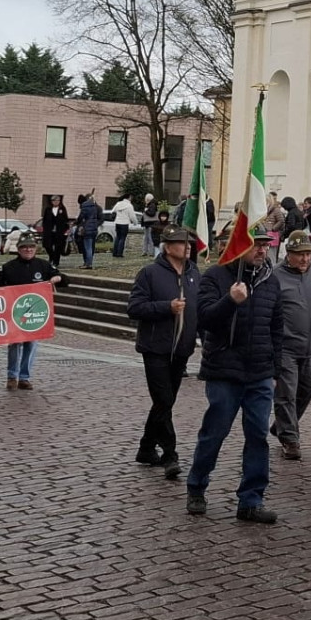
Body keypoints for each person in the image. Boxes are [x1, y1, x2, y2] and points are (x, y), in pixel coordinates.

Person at [188, 230, 284, 523]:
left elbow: (276, 326)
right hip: (224, 371)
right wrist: (230, 300)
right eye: (255, 244)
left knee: (257, 436)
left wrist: (275, 368)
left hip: (259, 373)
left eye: (266, 245)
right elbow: (204, 319)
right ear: (238, 245)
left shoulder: (270, 280)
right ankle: (196, 486)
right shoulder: (215, 277)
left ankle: (251, 500)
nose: (261, 250)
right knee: (214, 433)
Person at [128, 226, 201, 479]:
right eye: (182, 243)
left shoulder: (193, 273)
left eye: (189, 242)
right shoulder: (149, 273)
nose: (188, 246)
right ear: (168, 247)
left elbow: (198, 309)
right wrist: (165, 307)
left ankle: (146, 447)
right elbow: (135, 308)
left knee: (164, 402)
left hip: (181, 349)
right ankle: (170, 455)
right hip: (156, 348)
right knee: (164, 401)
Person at [271, 231, 311, 462]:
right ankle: (290, 438)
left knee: (309, 388)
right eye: (299, 254)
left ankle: (282, 426)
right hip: (286, 348)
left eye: (308, 254)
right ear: (288, 254)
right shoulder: (275, 276)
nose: (304, 259)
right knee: (286, 394)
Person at [0, 233, 68, 388]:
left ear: (35, 249)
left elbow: (64, 279)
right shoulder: (8, 267)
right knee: (15, 344)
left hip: (35, 313)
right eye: (24, 247)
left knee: (31, 344)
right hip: (14, 312)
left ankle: (24, 377)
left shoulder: (43, 266)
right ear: (19, 249)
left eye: (31, 247)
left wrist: (58, 278)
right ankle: (12, 376)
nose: (28, 250)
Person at [40, 196, 71, 267]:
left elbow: (65, 220)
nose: (56, 202)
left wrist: (66, 229)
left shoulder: (62, 209)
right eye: (54, 200)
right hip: (49, 231)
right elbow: (44, 220)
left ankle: (56, 261)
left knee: (58, 247)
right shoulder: (48, 209)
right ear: (51, 201)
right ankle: (52, 257)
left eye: (58, 200)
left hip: (59, 232)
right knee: (48, 246)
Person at [76, 194, 103, 267]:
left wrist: (78, 223)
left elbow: (81, 218)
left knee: (88, 247)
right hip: (92, 229)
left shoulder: (89, 207)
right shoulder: (95, 207)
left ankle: (88, 263)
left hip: (87, 228)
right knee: (88, 247)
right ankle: (87, 262)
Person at [111, 194, 136, 258]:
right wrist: (135, 222)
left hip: (117, 222)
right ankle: (119, 253)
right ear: (129, 198)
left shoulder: (118, 203)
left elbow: (113, 211)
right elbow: (132, 216)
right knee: (122, 238)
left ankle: (115, 252)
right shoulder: (129, 205)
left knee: (118, 237)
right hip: (124, 223)